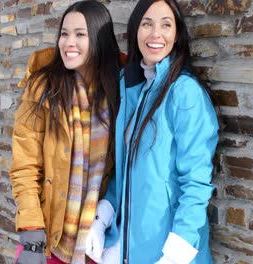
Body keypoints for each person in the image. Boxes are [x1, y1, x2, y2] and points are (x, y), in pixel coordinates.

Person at [86, 0, 219, 263]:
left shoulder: (184, 92)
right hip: (127, 249)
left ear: (177, 34)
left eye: (165, 25)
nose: (155, 33)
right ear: (136, 30)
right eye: (147, 24)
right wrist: (102, 219)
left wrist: (174, 255)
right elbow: (126, 172)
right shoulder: (130, 87)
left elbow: (196, 183)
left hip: (165, 251)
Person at [9, 1, 122, 263]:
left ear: (98, 40)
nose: (68, 42)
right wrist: (31, 234)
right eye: (64, 33)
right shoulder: (42, 88)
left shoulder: (119, 91)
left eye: (80, 34)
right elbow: (24, 165)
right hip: (48, 240)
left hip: (98, 241)